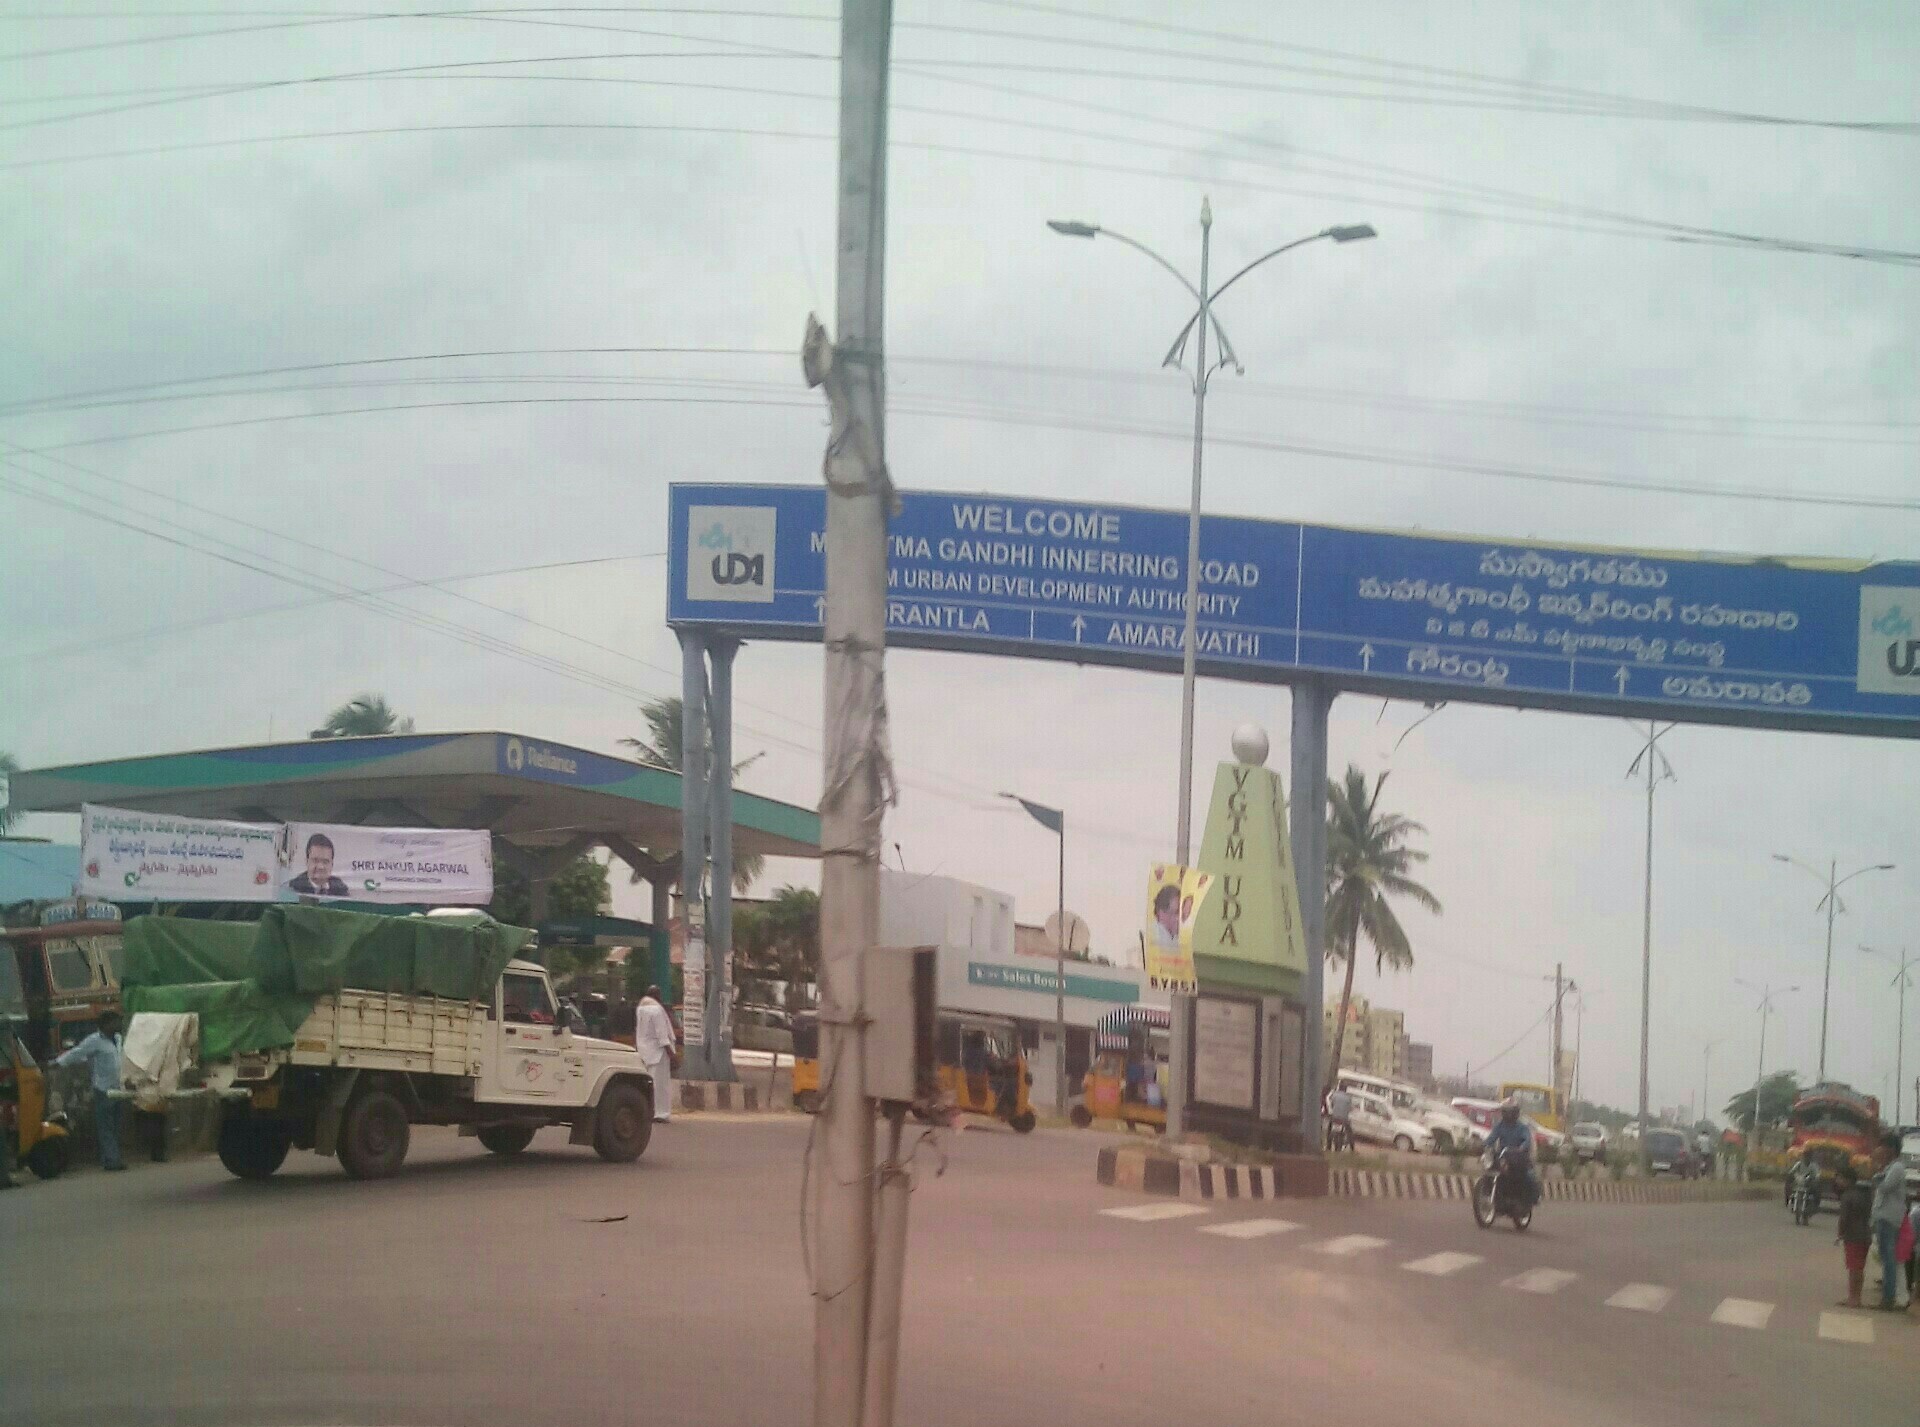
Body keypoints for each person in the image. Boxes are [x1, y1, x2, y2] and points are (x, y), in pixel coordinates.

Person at [54, 1010, 125, 1172]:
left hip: (119, 1088)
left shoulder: (118, 1039)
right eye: (115, 1021)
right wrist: (58, 1063)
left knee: (115, 1126)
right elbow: (77, 1052)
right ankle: (112, 1160)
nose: (118, 1024)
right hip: (103, 1089)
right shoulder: (94, 1041)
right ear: (106, 1024)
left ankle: (110, 1158)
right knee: (106, 1127)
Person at [1870, 1132, 1908, 1310]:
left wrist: (1877, 1173)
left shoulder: (1896, 1168)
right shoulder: (1890, 1167)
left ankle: (1888, 1298)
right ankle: (1888, 1295)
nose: (1880, 1151)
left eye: (1883, 1147)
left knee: (1889, 1259)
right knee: (1886, 1258)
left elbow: (1884, 1186)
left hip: (1888, 1217)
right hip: (1883, 1215)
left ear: (1891, 1149)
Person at [633, 985, 678, 1125]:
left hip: (644, 1051)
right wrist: (672, 1054)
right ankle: (661, 1113)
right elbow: (661, 1035)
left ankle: (649, 1111)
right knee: (661, 1085)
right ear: (656, 995)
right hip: (659, 1052)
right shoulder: (657, 1010)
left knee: (649, 1084)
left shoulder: (641, 1008)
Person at [1482, 1097, 1539, 1204]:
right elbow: (1491, 1138)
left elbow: (1526, 1140)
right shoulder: (1499, 1126)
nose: (1508, 1115)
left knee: (1527, 1176)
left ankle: (1526, 1199)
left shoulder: (1522, 1127)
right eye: (1505, 1112)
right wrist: (1483, 1145)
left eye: (1510, 1112)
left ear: (1516, 1113)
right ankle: (1490, 1193)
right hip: (1503, 1156)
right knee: (1489, 1170)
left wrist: (1521, 1148)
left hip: (1518, 1157)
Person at [1836, 1165, 1873, 1309]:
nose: (1837, 1181)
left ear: (1847, 1180)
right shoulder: (1865, 1194)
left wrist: (1840, 1233)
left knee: (1853, 1268)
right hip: (1865, 1235)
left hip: (1853, 1236)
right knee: (1859, 1267)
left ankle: (1853, 1298)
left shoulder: (1847, 1196)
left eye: (1839, 1178)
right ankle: (1857, 1297)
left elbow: (1844, 1218)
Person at [287, 832, 350, 897]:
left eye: (325, 862)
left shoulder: (341, 889)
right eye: (315, 860)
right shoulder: (293, 888)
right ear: (306, 861)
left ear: (332, 865)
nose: (320, 867)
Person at [1325, 1086, 1354, 1152]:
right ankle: (1352, 1148)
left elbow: (1331, 1104)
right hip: (1344, 1119)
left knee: (1329, 1129)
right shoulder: (1348, 1097)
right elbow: (1350, 1109)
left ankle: (1328, 1146)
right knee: (1349, 1132)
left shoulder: (1335, 1095)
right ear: (1346, 1089)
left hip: (1334, 1117)